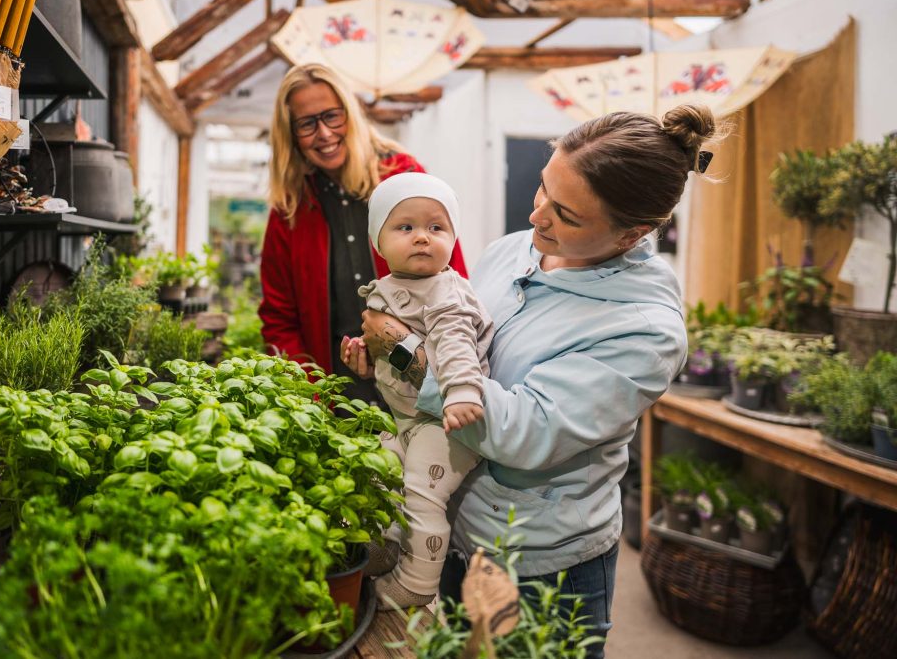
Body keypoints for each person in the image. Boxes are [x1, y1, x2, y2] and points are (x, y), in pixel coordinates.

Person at [346, 105, 717, 657]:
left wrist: (401, 351)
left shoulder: (644, 330)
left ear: (631, 234)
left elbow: (523, 432)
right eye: (544, 188)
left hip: (538, 566)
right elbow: (456, 338)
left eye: (565, 214)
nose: (536, 215)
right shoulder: (513, 250)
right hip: (457, 530)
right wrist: (381, 356)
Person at [259, 63, 467, 404]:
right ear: (291, 134)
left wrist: (412, 355)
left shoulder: (404, 177)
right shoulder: (290, 209)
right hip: (332, 398)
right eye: (307, 124)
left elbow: (453, 283)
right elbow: (279, 319)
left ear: (351, 114)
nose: (324, 133)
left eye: (332, 116)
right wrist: (309, 393)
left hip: (419, 390)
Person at [343, 172, 494, 609]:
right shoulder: (388, 289)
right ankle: (384, 544)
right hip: (405, 418)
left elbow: (455, 344)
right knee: (377, 469)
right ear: (378, 241)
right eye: (405, 227)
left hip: (445, 421)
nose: (423, 237)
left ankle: (416, 582)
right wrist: (366, 360)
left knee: (422, 493)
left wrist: (462, 391)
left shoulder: (446, 291)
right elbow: (393, 352)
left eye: (436, 227)